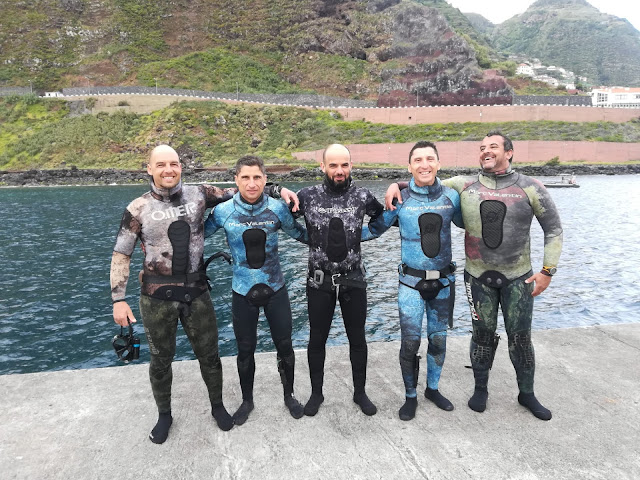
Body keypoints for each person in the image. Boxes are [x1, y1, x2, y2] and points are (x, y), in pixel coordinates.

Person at [110, 145, 297, 443]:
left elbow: (243, 189)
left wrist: (277, 189)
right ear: (149, 169)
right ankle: (164, 415)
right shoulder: (138, 208)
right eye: (161, 164)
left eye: (173, 164)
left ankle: (218, 407)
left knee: (210, 356)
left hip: (196, 291)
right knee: (160, 360)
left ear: (181, 167)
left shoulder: (199, 194)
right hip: (155, 296)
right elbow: (122, 253)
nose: (168, 169)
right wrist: (119, 299)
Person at [385, 132, 562, 420]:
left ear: (509, 152)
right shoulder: (463, 185)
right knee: (481, 335)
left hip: (518, 277)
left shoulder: (530, 187)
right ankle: (480, 390)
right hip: (477, 278)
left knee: (520, 338)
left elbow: (553, 229)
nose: (486, 151)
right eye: (482, 147)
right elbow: (426, 182)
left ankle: (527, 394)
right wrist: (398, 184)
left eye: (493, 147)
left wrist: (548, 270)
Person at [362, 141, 463, 421]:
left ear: (439, 164)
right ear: (409, 166)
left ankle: (432, 389)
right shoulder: (400, 199)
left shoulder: (452, 198)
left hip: (443, 284)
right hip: (410, 285)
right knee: (410, 344)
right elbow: (374, 230)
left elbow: (473, 222)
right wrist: (332, 237)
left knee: (438, 340)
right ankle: (410, 396)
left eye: (430, 159)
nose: (424, 165)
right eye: (418, 160)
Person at [204, 155, 308, 425]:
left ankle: (289, 395)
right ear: (236, 180)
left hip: (276, 289)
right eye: (246, 178)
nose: (252, 184)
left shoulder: (277, 209)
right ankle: (247, 401)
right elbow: (195, 237)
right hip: (242, 292)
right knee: (245, 349)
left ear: (265, 179)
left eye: (257, 177)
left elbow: (301, 235)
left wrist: (338, 242)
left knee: (284, 345)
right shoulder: (223, 211)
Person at [295, 144, 384, 417]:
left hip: (353, 279)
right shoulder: (307, 196)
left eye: (344, 165)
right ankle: (316, 393)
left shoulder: (363, 196)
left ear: (351, 166)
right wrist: (307, 238)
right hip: (318, 281)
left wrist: (359, 237)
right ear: (323, 166)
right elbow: (281, 216)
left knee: (357, 339)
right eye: (333, 165)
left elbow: (383, 217)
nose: (339, 170)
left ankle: (360, 392)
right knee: (316, 340)